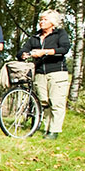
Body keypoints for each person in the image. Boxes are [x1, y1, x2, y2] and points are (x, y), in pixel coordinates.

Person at [18, 9, 71, 140]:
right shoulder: (35, 37)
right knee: (44, 102)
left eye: (45, 20)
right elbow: (21, 51)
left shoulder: (60, 34)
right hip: (40, 73)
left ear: (53, 23)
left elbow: (64, 49)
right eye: (41, 19)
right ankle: (47, 128)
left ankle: (54, 130)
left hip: (57, 72)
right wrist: (24, 55)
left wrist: (45, 52)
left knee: (56, 102)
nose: (42, 22)